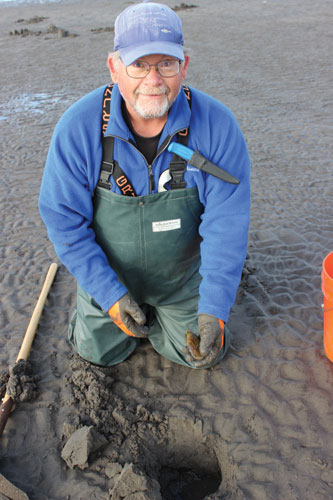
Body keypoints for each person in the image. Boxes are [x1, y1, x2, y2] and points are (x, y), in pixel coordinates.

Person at [39, 1, 251, 369]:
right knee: (97, 354)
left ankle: (173, 312)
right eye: (139, 64)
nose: (153, 80)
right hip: (112, 273)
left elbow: (227, 222)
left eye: (166, 64)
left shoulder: (218, 126)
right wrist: (108, 294)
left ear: (183, 66)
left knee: (205, 354)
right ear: (114, 67)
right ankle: (97, 305)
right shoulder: (77, 128)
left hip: (182, 278)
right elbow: (64, 221)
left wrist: (214, 307)